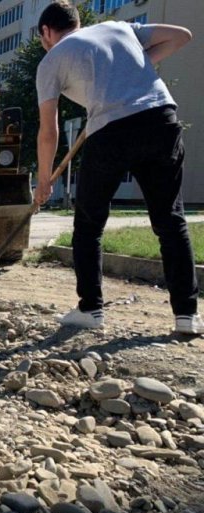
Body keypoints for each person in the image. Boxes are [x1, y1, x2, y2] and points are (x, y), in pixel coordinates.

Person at [34, 1, 201, 335]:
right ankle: (187, 315)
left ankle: (91, 310)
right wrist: (136, 65)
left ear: (46, 33)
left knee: (89, 224)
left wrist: (43, 180)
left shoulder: (52, 59)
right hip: (160, 119)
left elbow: (48, 132)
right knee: (170, 220)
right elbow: (181, 36)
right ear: (78, 23)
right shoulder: (117, 28)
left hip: (111, 132)